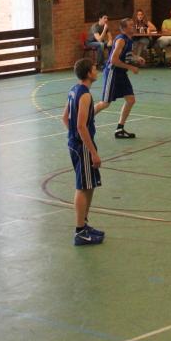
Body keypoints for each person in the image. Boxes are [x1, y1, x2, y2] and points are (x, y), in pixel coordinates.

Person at [63, 59, 105, 246]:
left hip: (76, 143)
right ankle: (80, 231)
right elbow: (81, 126)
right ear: (88, 73)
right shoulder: (85, 95)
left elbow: (65, 118)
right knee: (82, 186)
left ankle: (84, 224)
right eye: (94, 69)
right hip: (82, 146)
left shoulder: (73, 90)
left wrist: (73, 136)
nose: (97, 71)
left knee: (90, 184)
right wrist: (92, 152)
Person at [95, 18, 143, 139]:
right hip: (113, 72)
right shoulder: (121, 40)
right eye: (131, 25)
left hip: (121, 73)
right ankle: (82, 121)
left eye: (133, 24)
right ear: (124, 28)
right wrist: (131, 67)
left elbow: (127, 54)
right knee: (105, 103)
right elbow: (114, 60)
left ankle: (119, 129)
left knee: (130, 100)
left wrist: (137, 58)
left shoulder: (129, 39)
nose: (133, 26)